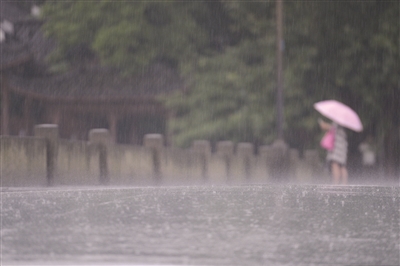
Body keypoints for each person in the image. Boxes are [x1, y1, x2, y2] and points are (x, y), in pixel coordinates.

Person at [318, 119, 348, 184]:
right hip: (342, 146)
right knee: (342, 165)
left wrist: (324, 125)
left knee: (335, 164)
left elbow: (331, 128)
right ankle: (344, 183)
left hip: (337, 146)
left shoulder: (338, 122)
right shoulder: (344, 123)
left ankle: (336, 183)